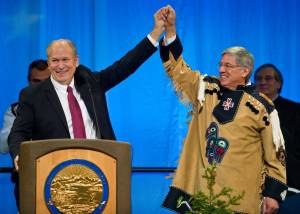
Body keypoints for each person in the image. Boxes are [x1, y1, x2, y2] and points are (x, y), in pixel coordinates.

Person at [158, 6, 287, 214]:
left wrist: (273, 193)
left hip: (241, 198)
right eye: (221, 64)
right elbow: (178, 69)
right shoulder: (206, 90)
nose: (221, 69)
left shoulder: (263, 108)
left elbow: (276, 153)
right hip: (201, 195)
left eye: (228, 66)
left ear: (244, 71)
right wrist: (170, 29)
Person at [8, 11, 165, 171]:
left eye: (65, 60)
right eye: (55, 60)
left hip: (100, 168)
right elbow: (18, 133)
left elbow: (125, 65)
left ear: (76, 61)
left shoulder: (91, 83)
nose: (60, 66)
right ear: (49, 64)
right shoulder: (32, 95)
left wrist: (157, 31)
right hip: (56, 172)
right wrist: (18, 154)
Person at [254, 64, 300, 212]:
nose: (262, 82)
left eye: (268, 78)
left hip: (289, 185)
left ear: (279, 83)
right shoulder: (246, 111)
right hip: (252, 184)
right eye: (258, 78)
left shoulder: (295, 110)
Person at [0, 60, 50, 154]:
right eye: (36, 81)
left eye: (46, 81)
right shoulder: (15, 110)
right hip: (28, 166)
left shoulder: (66, 106)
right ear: (28, 81)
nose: (41, 86)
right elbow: (3, 146)